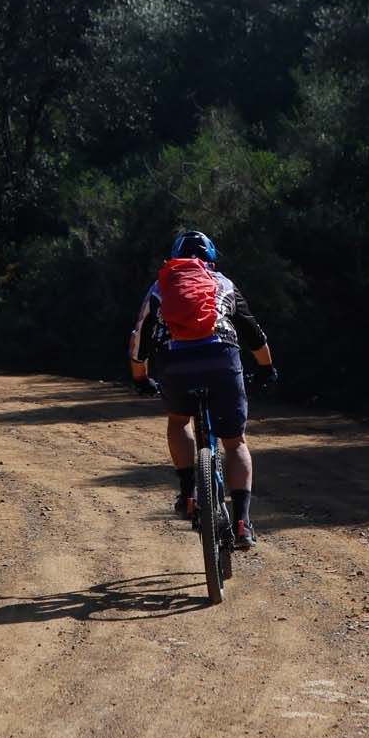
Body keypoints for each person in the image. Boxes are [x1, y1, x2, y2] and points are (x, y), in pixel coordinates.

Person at [128, 231, 277, 548]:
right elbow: (254, 335)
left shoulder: (161, 287)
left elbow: (139, 339)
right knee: (235, 443)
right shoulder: (223, 283)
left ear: (174, 259)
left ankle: (188, 492)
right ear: (211, 259)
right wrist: (266, 369)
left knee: (179, 420)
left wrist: (141, 378)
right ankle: (242, 523)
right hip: (222, 358)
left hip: (175, 363)